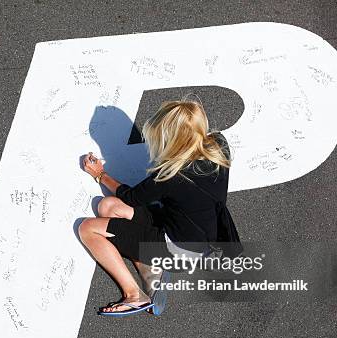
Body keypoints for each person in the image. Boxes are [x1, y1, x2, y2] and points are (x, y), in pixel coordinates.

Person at [78, 99, 232, 316]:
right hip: (197, 235)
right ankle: (150, 270)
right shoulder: (219, 146)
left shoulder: (172, 175)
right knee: (108, 206)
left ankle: (134, 295)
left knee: (87, 229)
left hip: (178, 250)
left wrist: (100, 175)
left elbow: (131, 197)